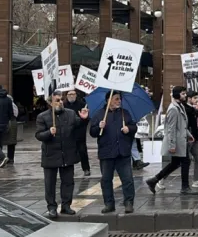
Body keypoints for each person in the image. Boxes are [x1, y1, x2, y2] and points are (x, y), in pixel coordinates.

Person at [35, 91, 89, 219]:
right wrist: (49, 132)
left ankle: (66, 205)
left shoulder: (70, 114)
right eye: (57, 100)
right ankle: (52, 207)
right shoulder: (42, 117)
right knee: (50, 183)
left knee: (68, 182)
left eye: (61, 100)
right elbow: (38, 135)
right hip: (50, 155)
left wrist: (84, 119)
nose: (60, 102)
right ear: (50, 103)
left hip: (68, 154)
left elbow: (79, 125)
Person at [89, 90, 137, 214]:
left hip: (123, 152)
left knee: (127, 179)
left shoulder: (124, 113)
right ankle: (109, 204)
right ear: (108, 100)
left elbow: (134, 127)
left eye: (119, 99)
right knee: (106, 180)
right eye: (116, 99)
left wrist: (129, 128)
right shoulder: (100, 114)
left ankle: (129, 202)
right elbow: (92, 133)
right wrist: (99, 127)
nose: (119, 101)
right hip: (106, 152)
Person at [146, 86, 197, 195]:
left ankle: (154, 180)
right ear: (177, 94)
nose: (185, 95)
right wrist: (172, 145)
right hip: (177, 142)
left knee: (175, 163)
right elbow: (171, 128)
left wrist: (189, 135)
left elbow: (182, 125)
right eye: (183, 94)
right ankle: (185, 187)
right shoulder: (173, 108)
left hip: (181, 140)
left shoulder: (180, 106)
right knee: (185, 162)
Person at [64, 89, 91, 176]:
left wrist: (84, 118)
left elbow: (87, 119)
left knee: (82, 151)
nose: (71, 96)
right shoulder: (63, 105)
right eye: (69, 94)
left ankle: (86, 168)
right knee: (68, 152)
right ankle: (68, 169)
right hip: (68, 133)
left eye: (73, 94)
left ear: (76, 95)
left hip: (79, 132)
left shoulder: (82, 104)